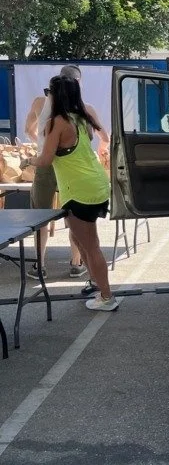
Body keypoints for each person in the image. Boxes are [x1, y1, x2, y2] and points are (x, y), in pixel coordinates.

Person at [26, 75, 117, 312]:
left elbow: (45, 160)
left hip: (79, 190)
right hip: (95, 184)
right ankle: (98, 286)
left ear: (55, 95)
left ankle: (106, 296)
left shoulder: (57, 122)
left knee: (91, 246)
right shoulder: (82, 117)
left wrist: (29, 160)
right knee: (81, 240)